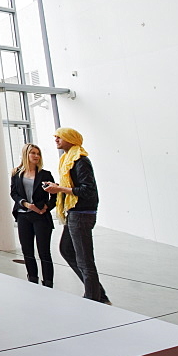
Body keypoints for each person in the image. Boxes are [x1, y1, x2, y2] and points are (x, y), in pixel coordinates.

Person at [43, 127, 111, 304]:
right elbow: (75, 186)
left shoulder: (80, 160)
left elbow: (88, 191)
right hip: (74, 212)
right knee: (66, 250)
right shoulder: (67, 159)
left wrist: (59, 189)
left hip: (82, 214)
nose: (56, 139)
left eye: (60, 137)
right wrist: (58, 186)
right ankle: (98, 294)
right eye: (55, 137)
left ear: (71, 139)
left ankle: (94, 298)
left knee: (84, 259)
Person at [9, 143, 55, 287]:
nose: (36, 156)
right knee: (27, 251)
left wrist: (46, 208)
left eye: (38, 153)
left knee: (44, 252)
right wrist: (26, 204)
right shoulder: (16, 173)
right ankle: (32, 280)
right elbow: (14, 193)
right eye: (33, 153)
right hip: (23, 216)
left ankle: (48, 283)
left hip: (41, 216)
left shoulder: (45, 174)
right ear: (25, 155)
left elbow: (55, 195)